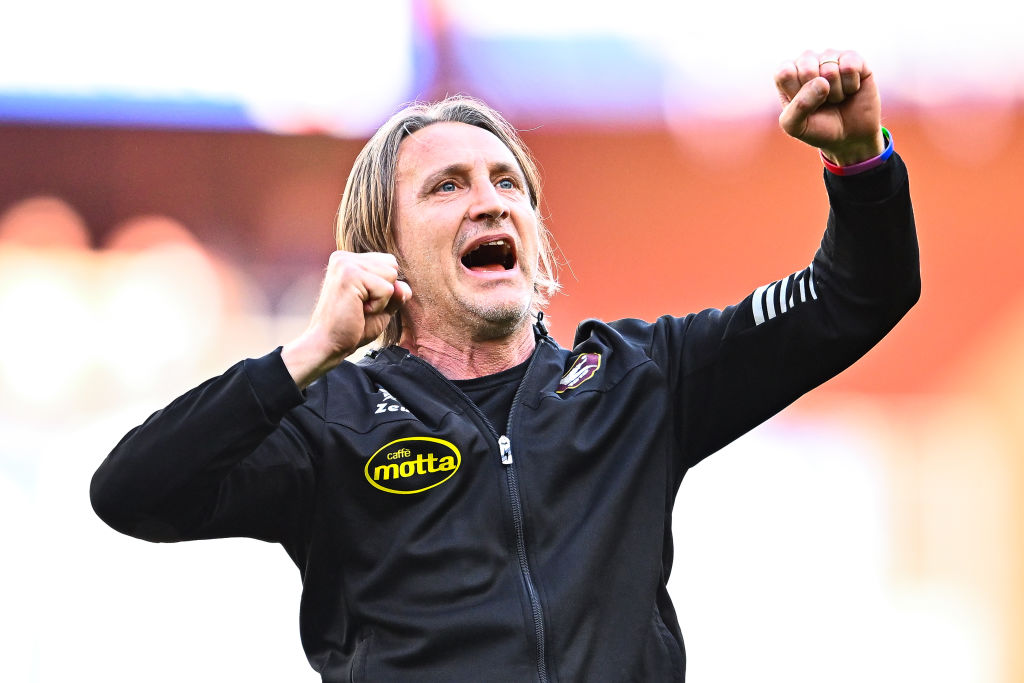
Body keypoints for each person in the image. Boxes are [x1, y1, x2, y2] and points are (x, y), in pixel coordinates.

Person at [91, 49, 920, 682]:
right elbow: (131, 490)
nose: (491, 199)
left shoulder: (639, 377)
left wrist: (859, 163)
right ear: (384, 253)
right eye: (446, 186)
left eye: (507, 183)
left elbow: (858, 293)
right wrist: (306, 356)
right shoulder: (326, 421)